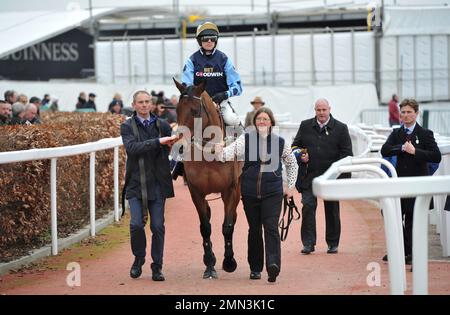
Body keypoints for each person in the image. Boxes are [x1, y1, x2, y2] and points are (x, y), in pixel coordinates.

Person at [215, 107, 298, 283]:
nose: (262, 122)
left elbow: (292, 164)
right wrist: (219, 149)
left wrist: (290, 187)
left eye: (265, 119)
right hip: (250, 192)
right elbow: (225, 156)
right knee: (254, 230)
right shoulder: (245, 140)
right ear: (255, 123)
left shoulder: (281, 142)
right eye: (259, 119)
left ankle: (273, 265)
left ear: (271, 123)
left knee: (271, 227)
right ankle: (255, 268)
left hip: (273, 192)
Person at [174, 21, 244, 180]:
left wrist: (224, 95)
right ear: (199, 40)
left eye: (212, 39)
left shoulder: (224, 59)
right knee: (188, 124)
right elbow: (186, 85)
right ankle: (179, 162)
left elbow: (238, 86)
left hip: (221, 101)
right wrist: (200, 99)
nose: (209, 42)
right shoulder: (192, 61)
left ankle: (245, 154)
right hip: (198, 103)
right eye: (205, 39)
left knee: (232, 119)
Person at [120, 90, 178, 281]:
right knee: (136, 224)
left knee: (157, 226)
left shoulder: (163, 125)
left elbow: (175, 148)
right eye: (140, 102)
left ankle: (157, 266)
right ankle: (138, 258)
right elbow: (132, 148)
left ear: (151, 104)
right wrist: (158, 141)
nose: (144, 105)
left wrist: (174, 144)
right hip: (136, 183)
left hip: (158, 183)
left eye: (147, 102)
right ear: (134, 105)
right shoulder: (127, 126)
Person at [381, 98, 441, 264]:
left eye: (409, 112)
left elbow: (435, 155)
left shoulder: (425, 134)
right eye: (403, 112)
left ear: (416, 113)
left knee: (413, 220)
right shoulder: (396, 134)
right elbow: (384, 149)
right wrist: (401, 148)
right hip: (398, 184)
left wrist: (416, 151)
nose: (406, 115)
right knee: (390, 214)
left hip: (418, 184)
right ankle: (401, 250)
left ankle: (413, 254)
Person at [292, 98, 353, 255]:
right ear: (315, 110)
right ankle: (308, 243)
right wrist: (300, 155)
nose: (321, 113)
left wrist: (340, 177)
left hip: (331, 178)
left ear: (329, 109)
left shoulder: (341, 128)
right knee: (308, 206)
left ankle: (332, 243)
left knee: (332, 210)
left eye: (324, 110)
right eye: (318, 110)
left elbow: (347, 154)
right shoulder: (305, 126)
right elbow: (295, 146)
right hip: (308, 176)